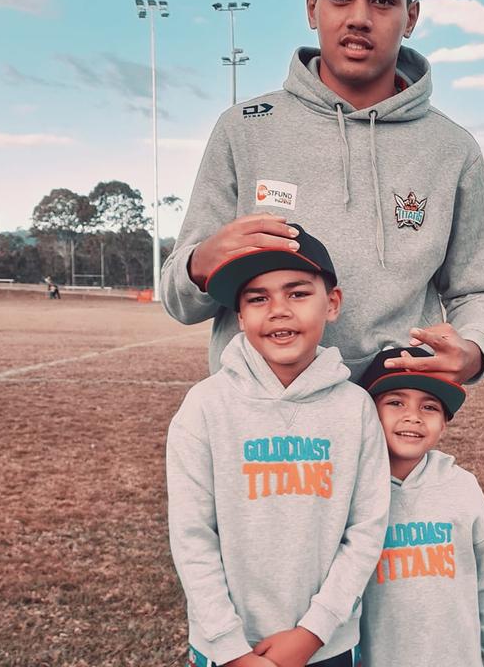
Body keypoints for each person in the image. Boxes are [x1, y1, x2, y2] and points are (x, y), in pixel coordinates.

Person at [161, 0, 484, 384]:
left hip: (388, 426)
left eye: (383, 1)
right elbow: (179, 299)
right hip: (262, 428)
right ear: (312, 7)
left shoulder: (453, 150)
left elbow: (476, 292)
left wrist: (473, 350)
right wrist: (202, 263)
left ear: (411, 16)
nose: (360, 17)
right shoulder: (243, 129)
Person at [166, 225, 389, 667]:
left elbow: (366, 530)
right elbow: (192, 537)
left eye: (298, 293)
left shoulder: (356, 408)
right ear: (240, 315)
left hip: (327, 643)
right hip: (227, 648)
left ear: (333, 304)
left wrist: (312, 632)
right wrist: (230, 647)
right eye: (258, 298)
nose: (279, 311)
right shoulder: (205, 406)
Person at [358, 348, 484, 666]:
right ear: (367, 413)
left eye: (429, 407)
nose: (413, 416)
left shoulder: (462, 488)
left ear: (444, 424)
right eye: (395, 402)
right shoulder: (353, 493)